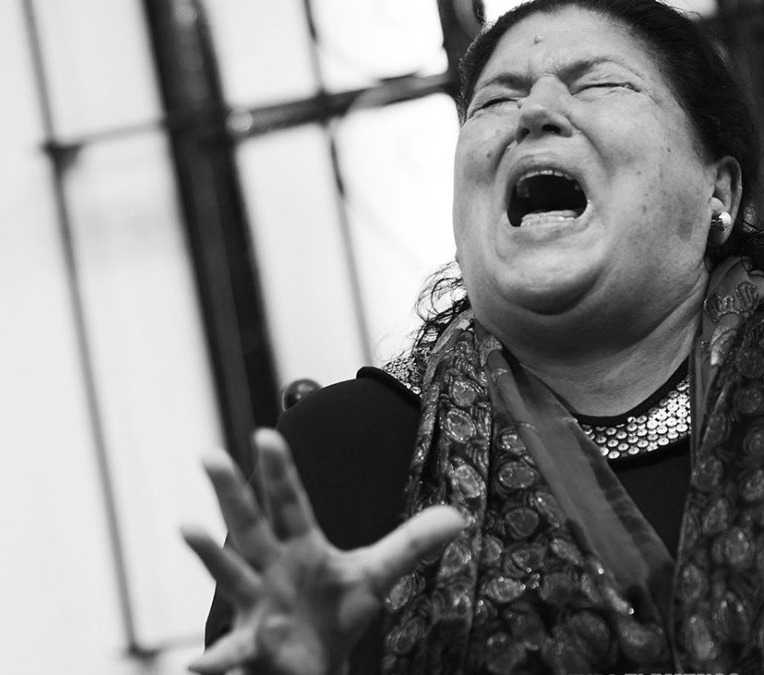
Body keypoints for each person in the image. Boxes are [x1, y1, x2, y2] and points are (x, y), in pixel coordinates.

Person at [182, 0, 764, 673]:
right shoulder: (342, 454)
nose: (534, 112)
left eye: (600, 84)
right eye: (495, 101)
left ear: (720, 191)